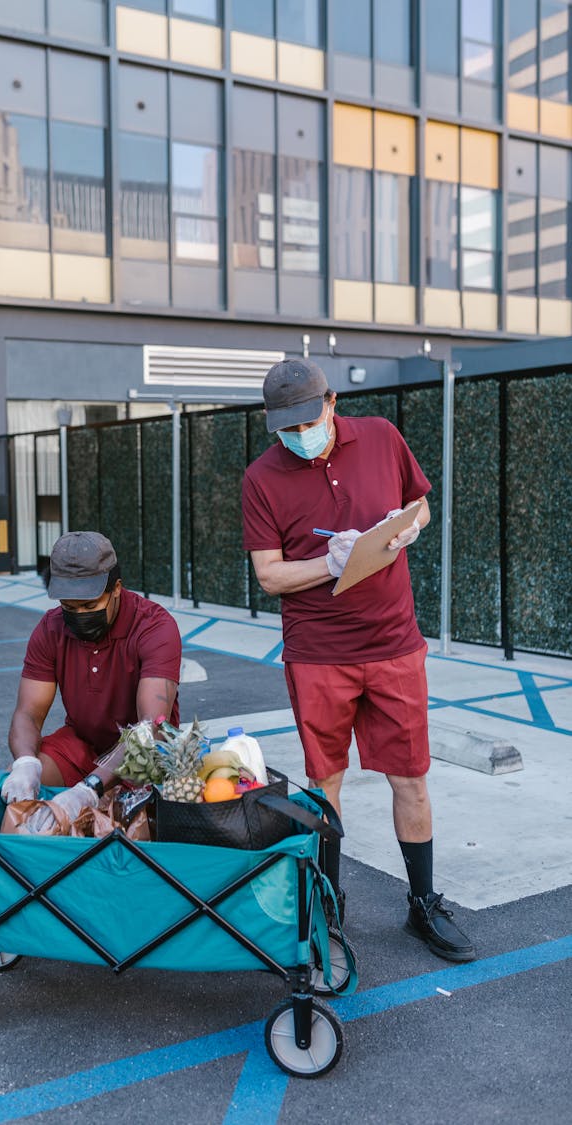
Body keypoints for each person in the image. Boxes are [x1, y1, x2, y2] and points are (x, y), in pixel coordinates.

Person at [242, 358, 475, 963]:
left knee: (411, 778)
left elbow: (419, 505)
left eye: (307, 421)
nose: (298, 436)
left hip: (394, 642)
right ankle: (328, 903)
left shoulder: (381, 437)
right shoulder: (262, 478)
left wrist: (406, 530)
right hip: (319, 654)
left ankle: (422, 903)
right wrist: (332, 563)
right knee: (325, 783)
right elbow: (270, 576)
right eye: (285, 428)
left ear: (333, 402)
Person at [2, 531, 181, 831]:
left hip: (142, 758)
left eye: (89, 606)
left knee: (121, 822)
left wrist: (90, 787)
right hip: (81, 743)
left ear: (117, 589)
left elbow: (151, 728)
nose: (78, 615)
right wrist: (25, 764)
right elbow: (28, 712)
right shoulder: (50, 628)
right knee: (17, 795)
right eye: (69, 608)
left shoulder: (154, 627)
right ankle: (10, 871)